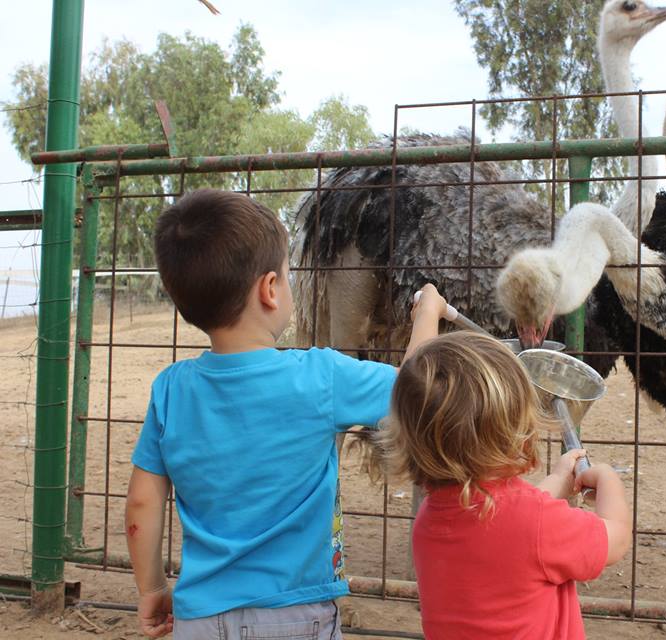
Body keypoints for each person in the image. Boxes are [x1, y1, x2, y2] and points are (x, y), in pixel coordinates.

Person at [124, 189, 448, 639]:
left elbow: (142, 501)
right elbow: (416, 385)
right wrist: (426, 315)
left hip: (197, 616)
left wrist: (152, 587)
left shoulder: (170, 390)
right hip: (298, 614)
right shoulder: (321, 376)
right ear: (270, 290)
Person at [378, 331, 632, 639]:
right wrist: (609, 480)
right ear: (513, 430)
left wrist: (557, 482)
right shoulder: (535, 523)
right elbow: (615, 540)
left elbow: (504, 527)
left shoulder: (430, 521)